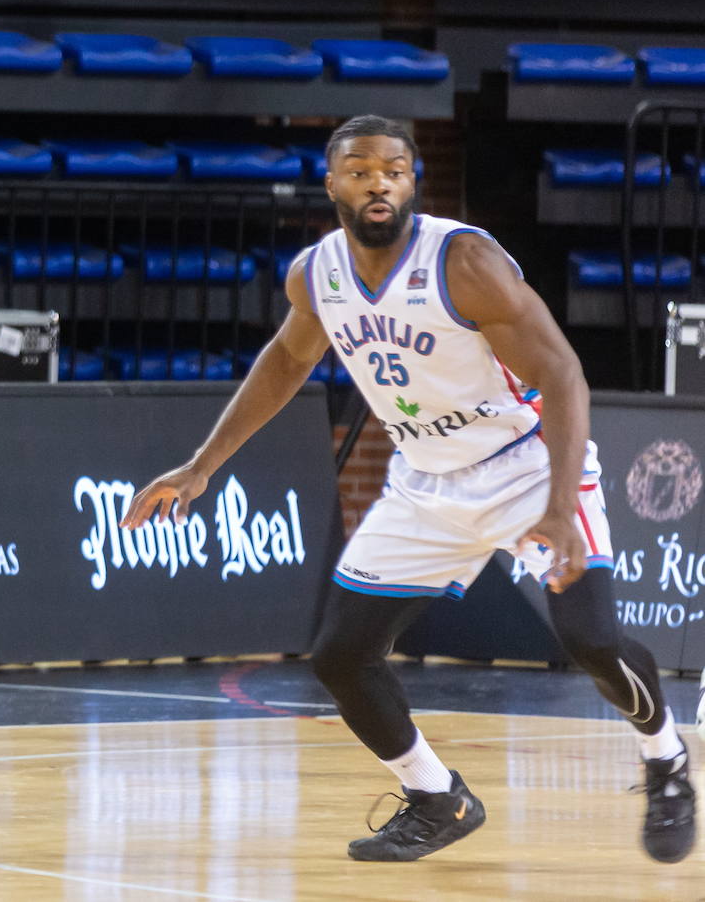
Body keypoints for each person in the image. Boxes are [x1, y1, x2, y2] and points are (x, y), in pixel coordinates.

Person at [120, 115, 695, 864]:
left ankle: (667, 761)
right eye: (360, 170)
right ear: (332, 185)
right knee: (340, 655)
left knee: (590, 641)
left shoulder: (464, 261)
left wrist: (559, 506)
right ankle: (437, 797)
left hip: (527, 463)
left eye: (393, 169)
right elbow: (286, 364)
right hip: (426, 477)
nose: (379, 181)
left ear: (411, 181)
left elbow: (561, 373)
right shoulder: (316, 273)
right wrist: (202, 464)